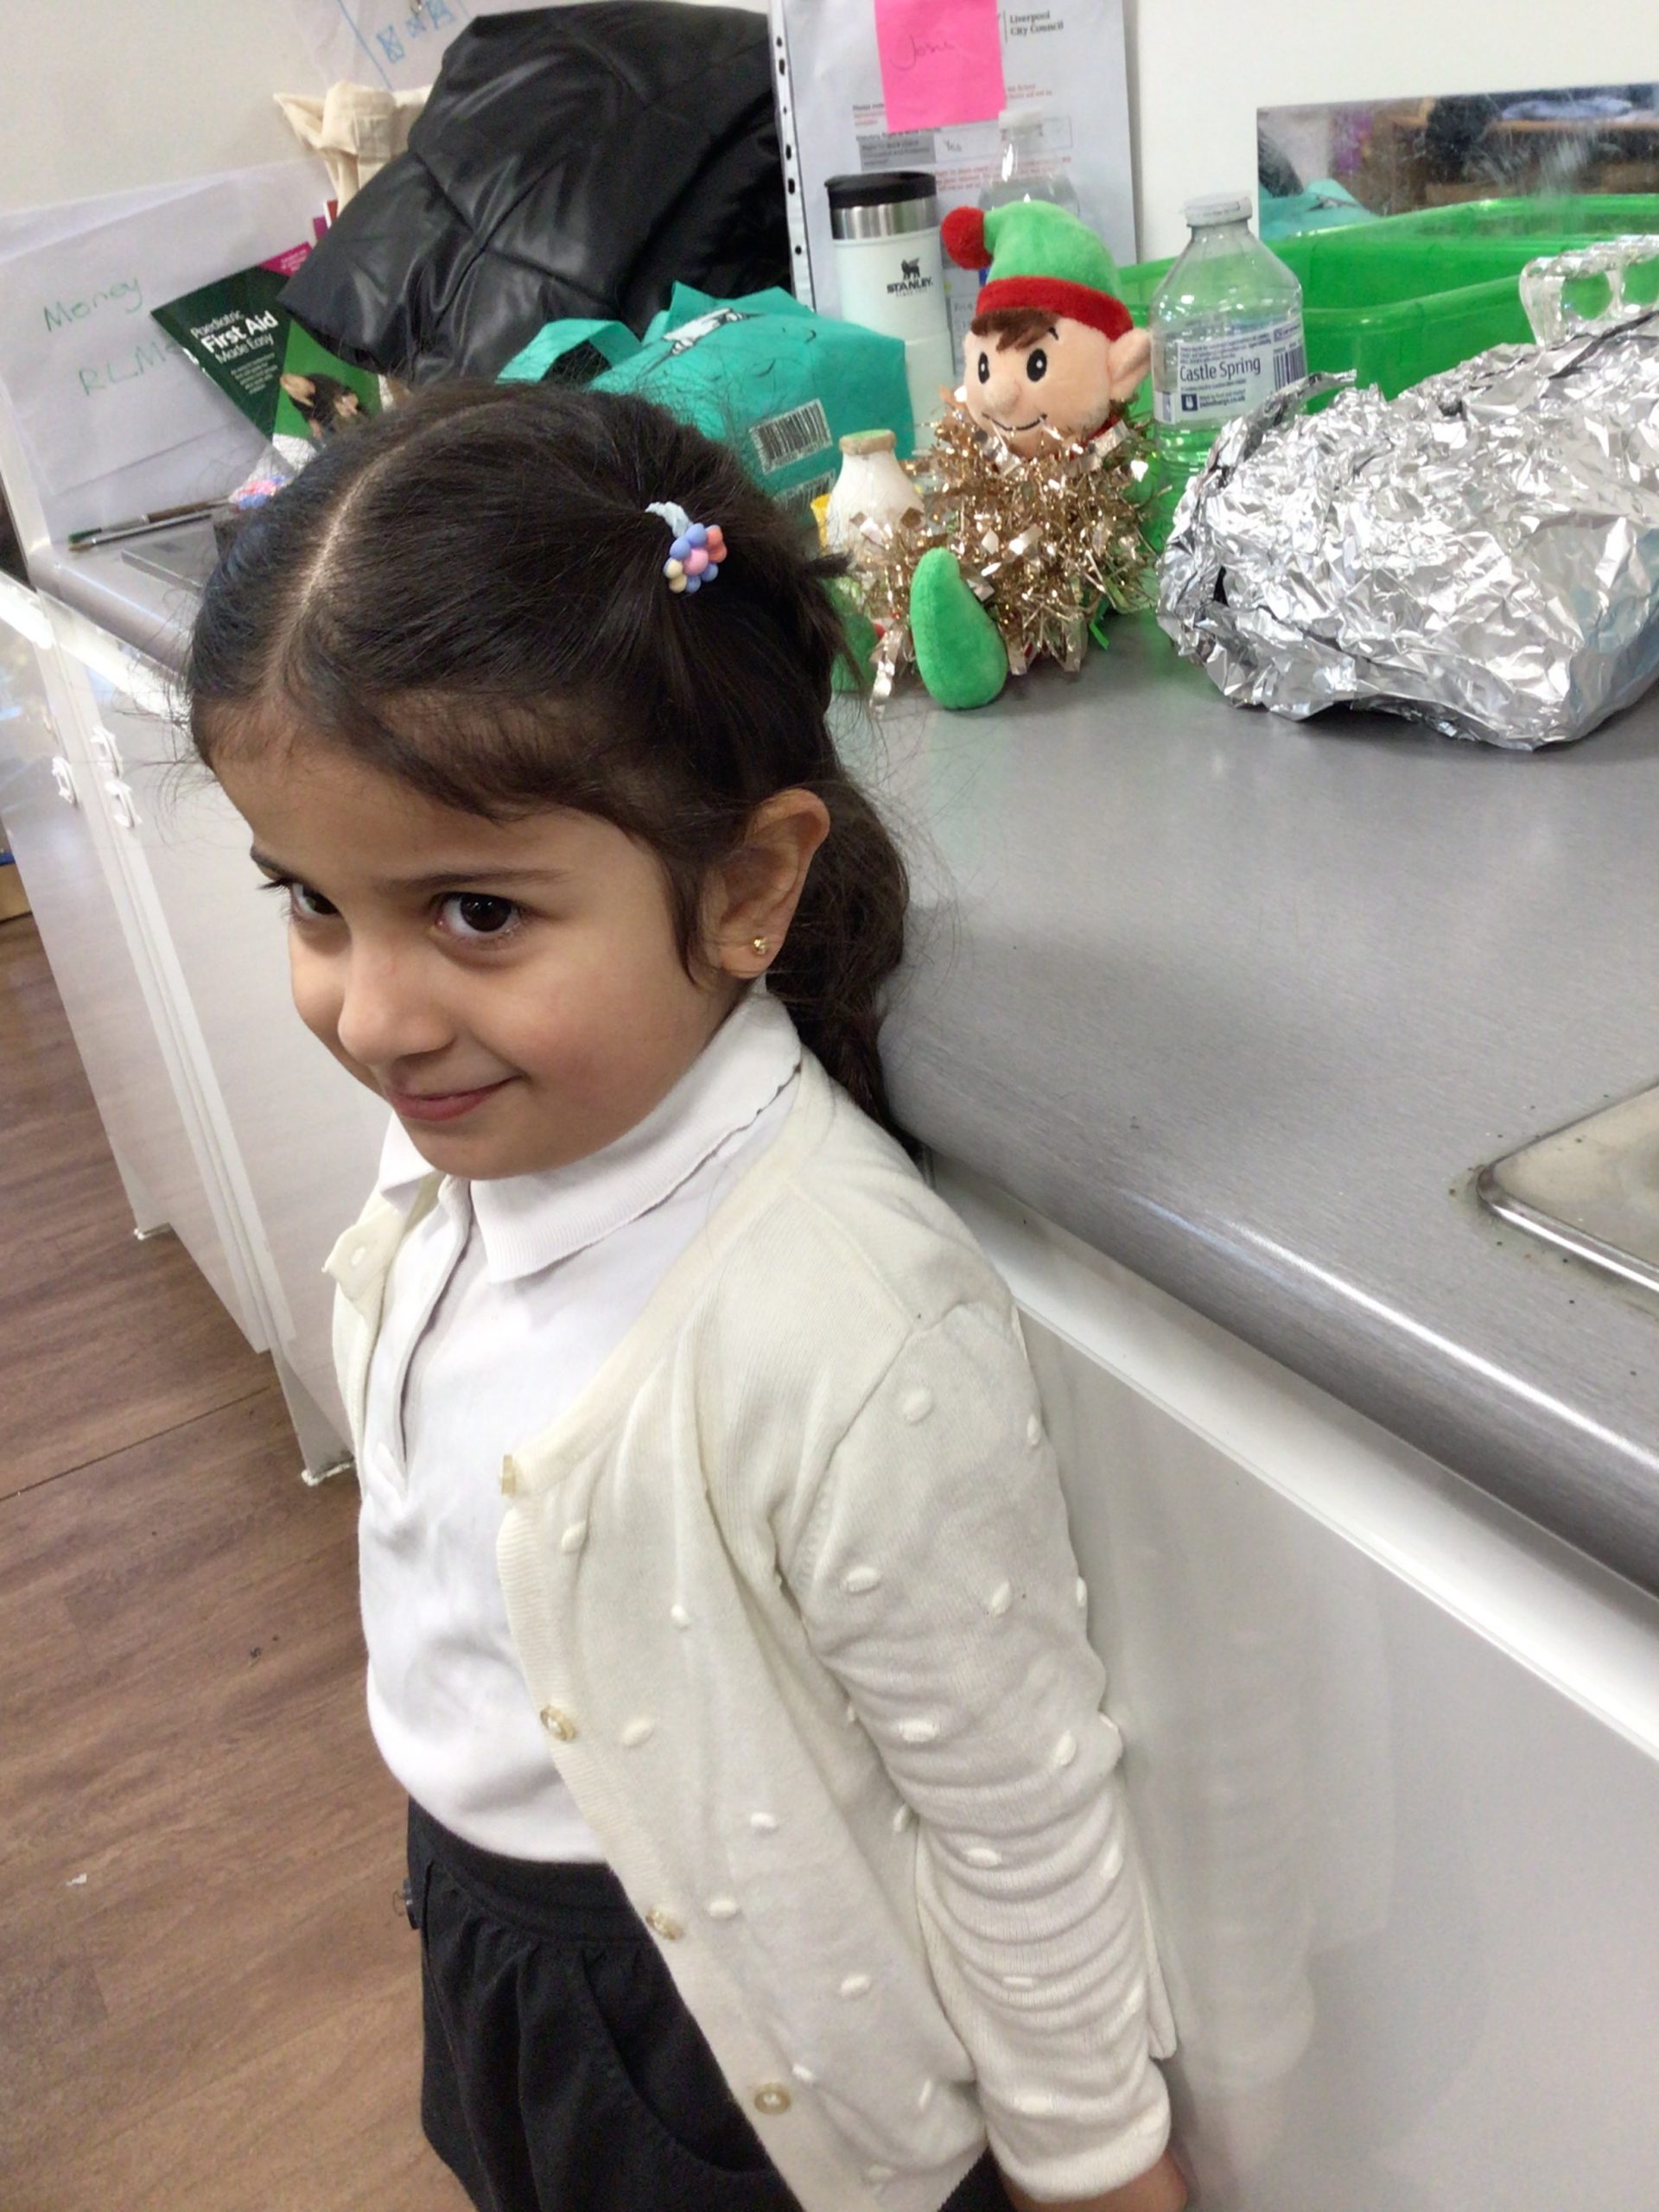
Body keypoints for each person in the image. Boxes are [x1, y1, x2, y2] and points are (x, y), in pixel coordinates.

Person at [187, 380, 1186, 2212]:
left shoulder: (837, 1324)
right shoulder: (466, 1145)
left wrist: (1097, 2164)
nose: (373, 1015)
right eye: (311, 902)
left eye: (477, 913)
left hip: (729, 2059)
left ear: (747, 885)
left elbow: (1016, 1806)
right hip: (496, 1936)